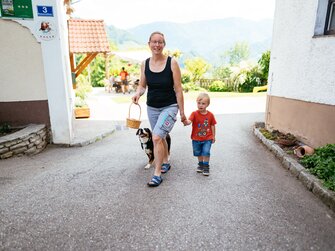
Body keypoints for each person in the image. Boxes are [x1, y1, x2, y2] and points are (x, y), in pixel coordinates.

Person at [132, 31, 187, 187]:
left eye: (160, 42)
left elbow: (178, 89)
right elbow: (142, 86)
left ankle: (157, 174)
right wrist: (138, 94)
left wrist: (182, 112)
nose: (157, 45)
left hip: (170, 107)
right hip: (152, 107)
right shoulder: (145, 64)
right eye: (154, 42)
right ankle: (165, 161)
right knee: (161, 137)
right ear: (149, 44)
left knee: (156, 137)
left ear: (164, 44)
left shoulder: (172, 63)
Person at [184, 93, 216, 176]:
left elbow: (212, 125)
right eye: (199, 103)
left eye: (203, 103)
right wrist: (186, 122)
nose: (200, 105)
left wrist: (213, 136)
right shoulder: (194, 114)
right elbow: (189, 121)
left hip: (207, 138)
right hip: (196, 138)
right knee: (198, 153)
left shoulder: (210, 115)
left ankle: (206, 166)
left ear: (207, 104)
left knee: (206, 152)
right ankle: (200, 164)